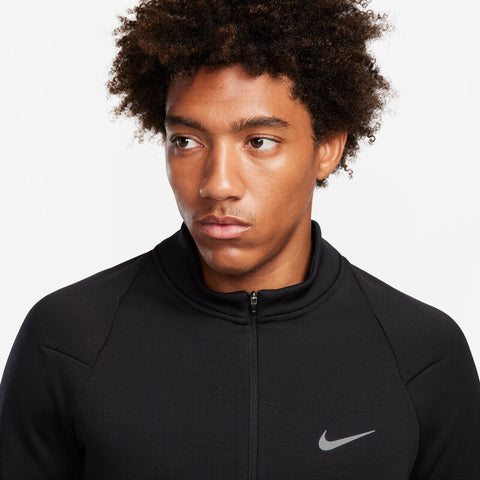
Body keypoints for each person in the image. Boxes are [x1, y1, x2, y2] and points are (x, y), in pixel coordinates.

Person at [1, 0, 479, 478]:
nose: (217, 184)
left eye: (259, 142)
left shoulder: (421, 356)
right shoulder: (68, 340)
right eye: (186, 141)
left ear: (327, 148)